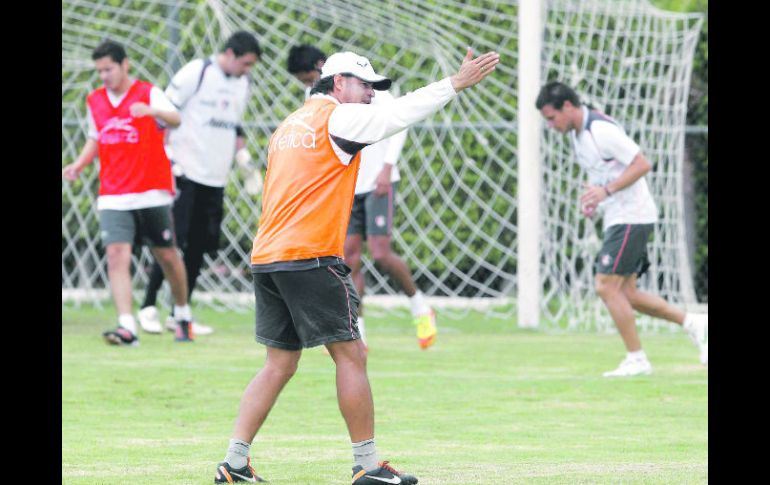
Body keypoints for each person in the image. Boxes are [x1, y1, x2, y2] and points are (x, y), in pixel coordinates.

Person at [213, 48, 499, 484]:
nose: (371, 95)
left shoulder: (289, 125)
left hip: (267, 257)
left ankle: (233, 464)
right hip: (310, 256)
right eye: (366, 86)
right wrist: (453, 84)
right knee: (352, 355)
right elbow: (399, 115)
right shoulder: (337, 118)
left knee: (278, 364)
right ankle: (367, 466)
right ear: (339, 82)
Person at [535, 81, 708, 377]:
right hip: (619, 216)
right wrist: (594, 199)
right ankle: (695, 322)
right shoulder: (578, 136)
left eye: (552, 118)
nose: (551, 126)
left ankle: (637, 359)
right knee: (628, 294)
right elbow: (604, 177)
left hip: (632, 216)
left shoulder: (600, 130)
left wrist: (607, 192)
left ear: (568, 106)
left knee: (605, 285)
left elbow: (641, 164)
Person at [287, 44, 437, 350]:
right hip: (348, 187)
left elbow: (399, 123)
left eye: (307, 77)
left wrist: (387, 167)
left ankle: (420, 307)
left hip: (378, 182)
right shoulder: (315, 101)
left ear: (324, 69)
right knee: (349, 259)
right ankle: (360, 331)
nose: (306, 85)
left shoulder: (369, 89)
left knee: (381, 252)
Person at [62, 40, 196, 344]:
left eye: (108, 68)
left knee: (166, 256)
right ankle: (127, 326)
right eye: (99, 71)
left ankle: (183, 313)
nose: (104, 75)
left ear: (125, 65)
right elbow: (95, 138)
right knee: (115, 254)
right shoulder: (94, 100)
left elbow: (176, 118)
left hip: (152, 190)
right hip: (112, 192)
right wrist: (79, 164)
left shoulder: (148, 92)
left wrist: (151, 111)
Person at [136, 31, 262, 336]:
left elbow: (234, 126)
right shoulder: (198, 72)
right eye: (245, 63)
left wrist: (244, 160)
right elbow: (165, 113)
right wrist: (166, 157)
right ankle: (148, 306)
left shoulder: (243, 84)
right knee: (171, 242)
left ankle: (181, 312)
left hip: (215, 177)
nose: (247, 69)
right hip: (184, 172)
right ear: (230, 54)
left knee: (199, 246)